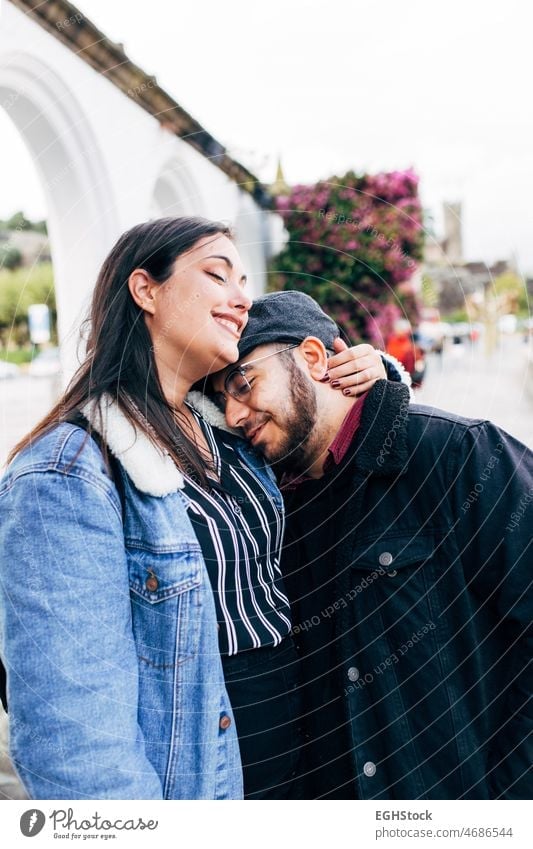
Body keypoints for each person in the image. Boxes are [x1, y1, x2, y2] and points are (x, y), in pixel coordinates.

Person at [0, 218, 390, 800]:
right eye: (217, 275)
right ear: (146, 289)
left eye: (244, 280)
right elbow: (75, 734)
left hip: (302, 772)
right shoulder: (69, 471)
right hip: (198, 786)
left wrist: (381, 383)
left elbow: (335, 445)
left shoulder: (230, 435)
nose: (241, 298)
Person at [210, 290, 533, 800]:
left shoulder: (455, 455)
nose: (233, 413)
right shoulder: (264, 512)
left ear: (314, 358)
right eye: (219, 399)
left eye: (242, 383)